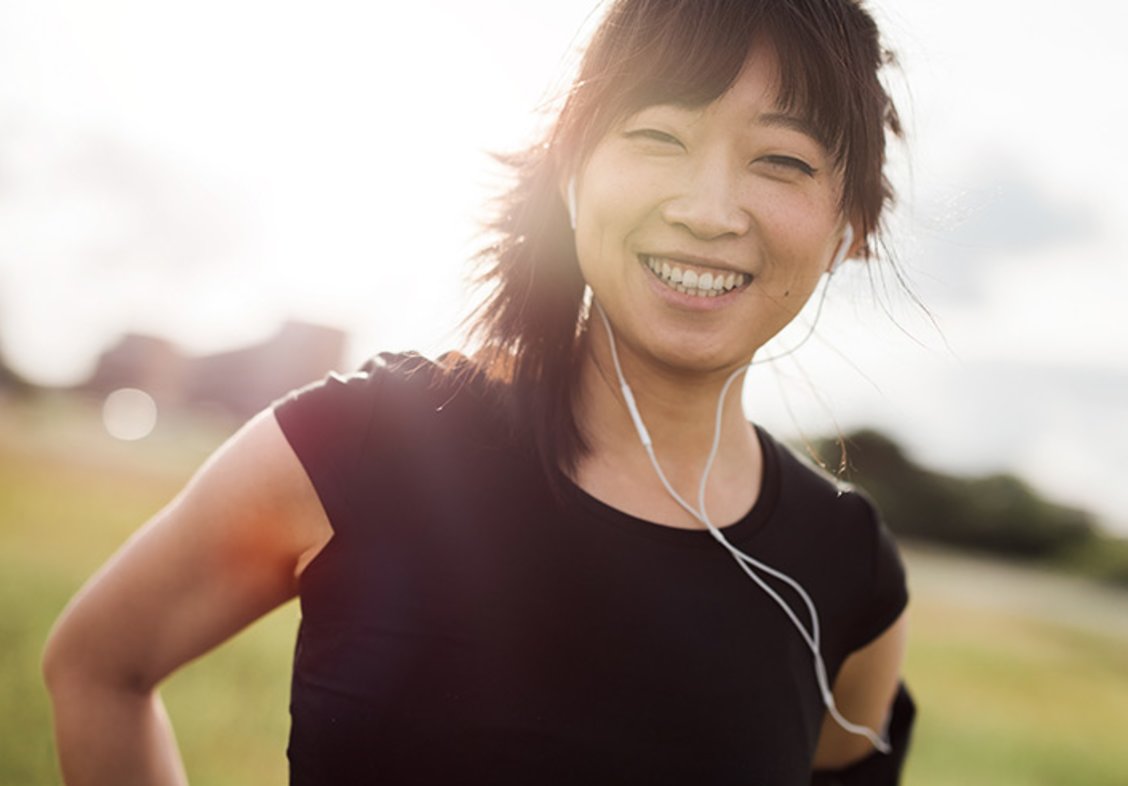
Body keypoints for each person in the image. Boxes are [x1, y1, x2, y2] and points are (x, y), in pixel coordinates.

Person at [43, 0, 915, 783]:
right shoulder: (370, 442)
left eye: (781, 159)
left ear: (851, 225)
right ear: (571, 170)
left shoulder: (846, 569)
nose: (709, 208)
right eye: (659, 136)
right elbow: (97, 667)